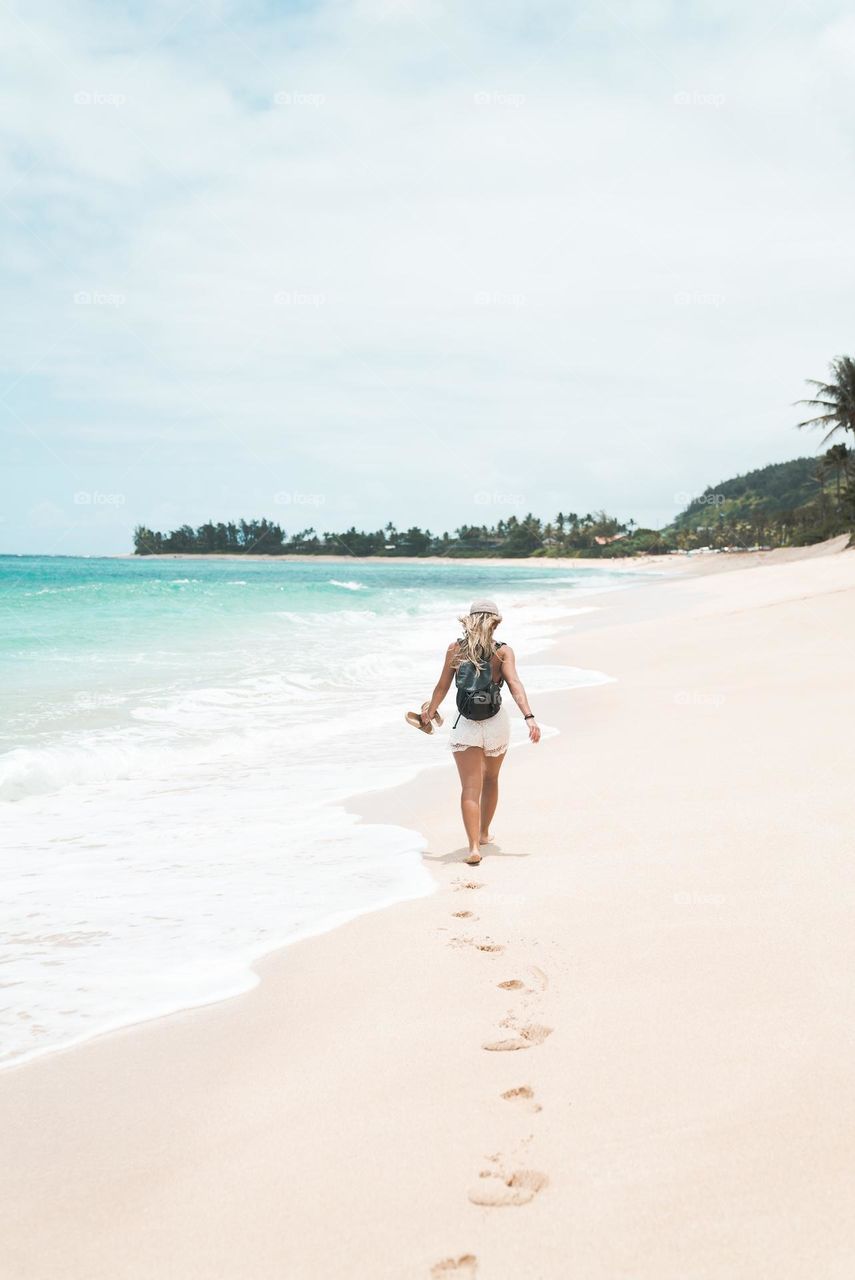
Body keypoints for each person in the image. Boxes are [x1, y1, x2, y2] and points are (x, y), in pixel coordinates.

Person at [420, 599, 540, 864]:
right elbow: (515, 685)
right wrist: (529, 717)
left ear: (469, 621)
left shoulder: (455, 649)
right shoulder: (503, 652)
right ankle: (485, 833)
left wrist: (429, 712)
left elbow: (441, 687)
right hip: (496, 723)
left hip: (466, 724)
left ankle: (473, 847)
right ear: (495, 622)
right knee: (491, 780)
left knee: (469, 788)